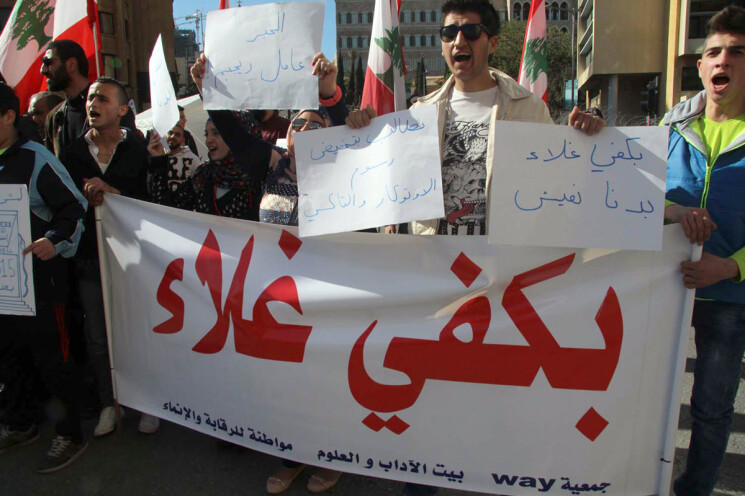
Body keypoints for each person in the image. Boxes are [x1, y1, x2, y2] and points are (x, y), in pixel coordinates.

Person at [346, 0, 602, 493]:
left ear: (491, 41)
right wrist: (361, 134)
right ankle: (423, 482)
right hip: (435, 279)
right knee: (429, 391)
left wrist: (587, 138)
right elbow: (387, 186)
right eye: (449, 33)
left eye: (470, 31)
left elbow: (560, 181)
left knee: (492, 395)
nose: (458, 41)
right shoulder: (419, 112)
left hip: (501, 280)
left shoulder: (528, 108)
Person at [187, 51, 347, 494]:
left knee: (323, 381)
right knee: (284, 382)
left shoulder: (343, 173)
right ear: (287, 134)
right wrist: (208, 88)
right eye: (298, 124)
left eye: (316, 125)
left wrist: (330, 96)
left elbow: (347, 126)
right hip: (276, 297)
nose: (305, 130)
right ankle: (292, 457)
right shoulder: (269, 164)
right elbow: (234, 132)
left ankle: (331, 456)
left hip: (326, 297)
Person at [661, 6, 745, 496]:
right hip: (660, 288)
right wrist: (672, 211)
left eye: (736, 52)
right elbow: (633, 197)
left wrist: (730, 267)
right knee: (646, 396)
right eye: (714, 52)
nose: (723, 60)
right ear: (700, 65)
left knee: (712, 410)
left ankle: (694, 489)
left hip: (729, 299)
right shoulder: (669, 129)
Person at [59, 77, 158, 437]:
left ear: (122, 109)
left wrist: (112, 193)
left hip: (133, 259)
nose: (92, 104)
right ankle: (109, 402)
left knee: (137, 333)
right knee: (98, 337)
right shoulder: (71, 154)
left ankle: (147, 402)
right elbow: (63, 206)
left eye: (102, 98)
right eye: (90, 98)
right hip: (90, 260)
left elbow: (152, 202)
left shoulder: (139, 150)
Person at [0, 82, 88, 473]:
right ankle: (21, 423)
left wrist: (53, 240)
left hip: (40, 284)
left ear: (8, 117)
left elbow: (75, 208)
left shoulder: (36, 159)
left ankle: (70, 434)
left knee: (53, 359)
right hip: (3, 287)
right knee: (10, 357)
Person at [42, 39, 137, 157]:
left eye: (48, 62)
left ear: (71, 64)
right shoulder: (54, 117)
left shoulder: (112, 107)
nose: (43, 70)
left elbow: (131, 156)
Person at [163, 124, 201, 190]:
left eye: (177, 135)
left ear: (183, 139)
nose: (173, 136)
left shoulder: (193, 159)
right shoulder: (159, 157)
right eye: (170, 133)